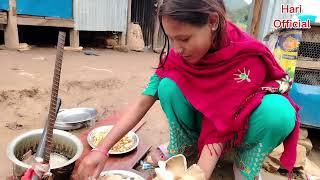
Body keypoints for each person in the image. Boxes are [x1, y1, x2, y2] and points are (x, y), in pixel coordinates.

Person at [77, 0, 300, 179]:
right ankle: (184, 149)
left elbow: (222, 124)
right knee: (167, 86)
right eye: (171, 38)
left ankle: (244, 163)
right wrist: (102, 150)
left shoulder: (245, 57)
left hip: (236, 131)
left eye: (183, 38)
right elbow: (145, 99)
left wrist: (198, 175)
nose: (177, 49)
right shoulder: (179, 54)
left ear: (212, 21)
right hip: (203, 126)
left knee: (279, 112)